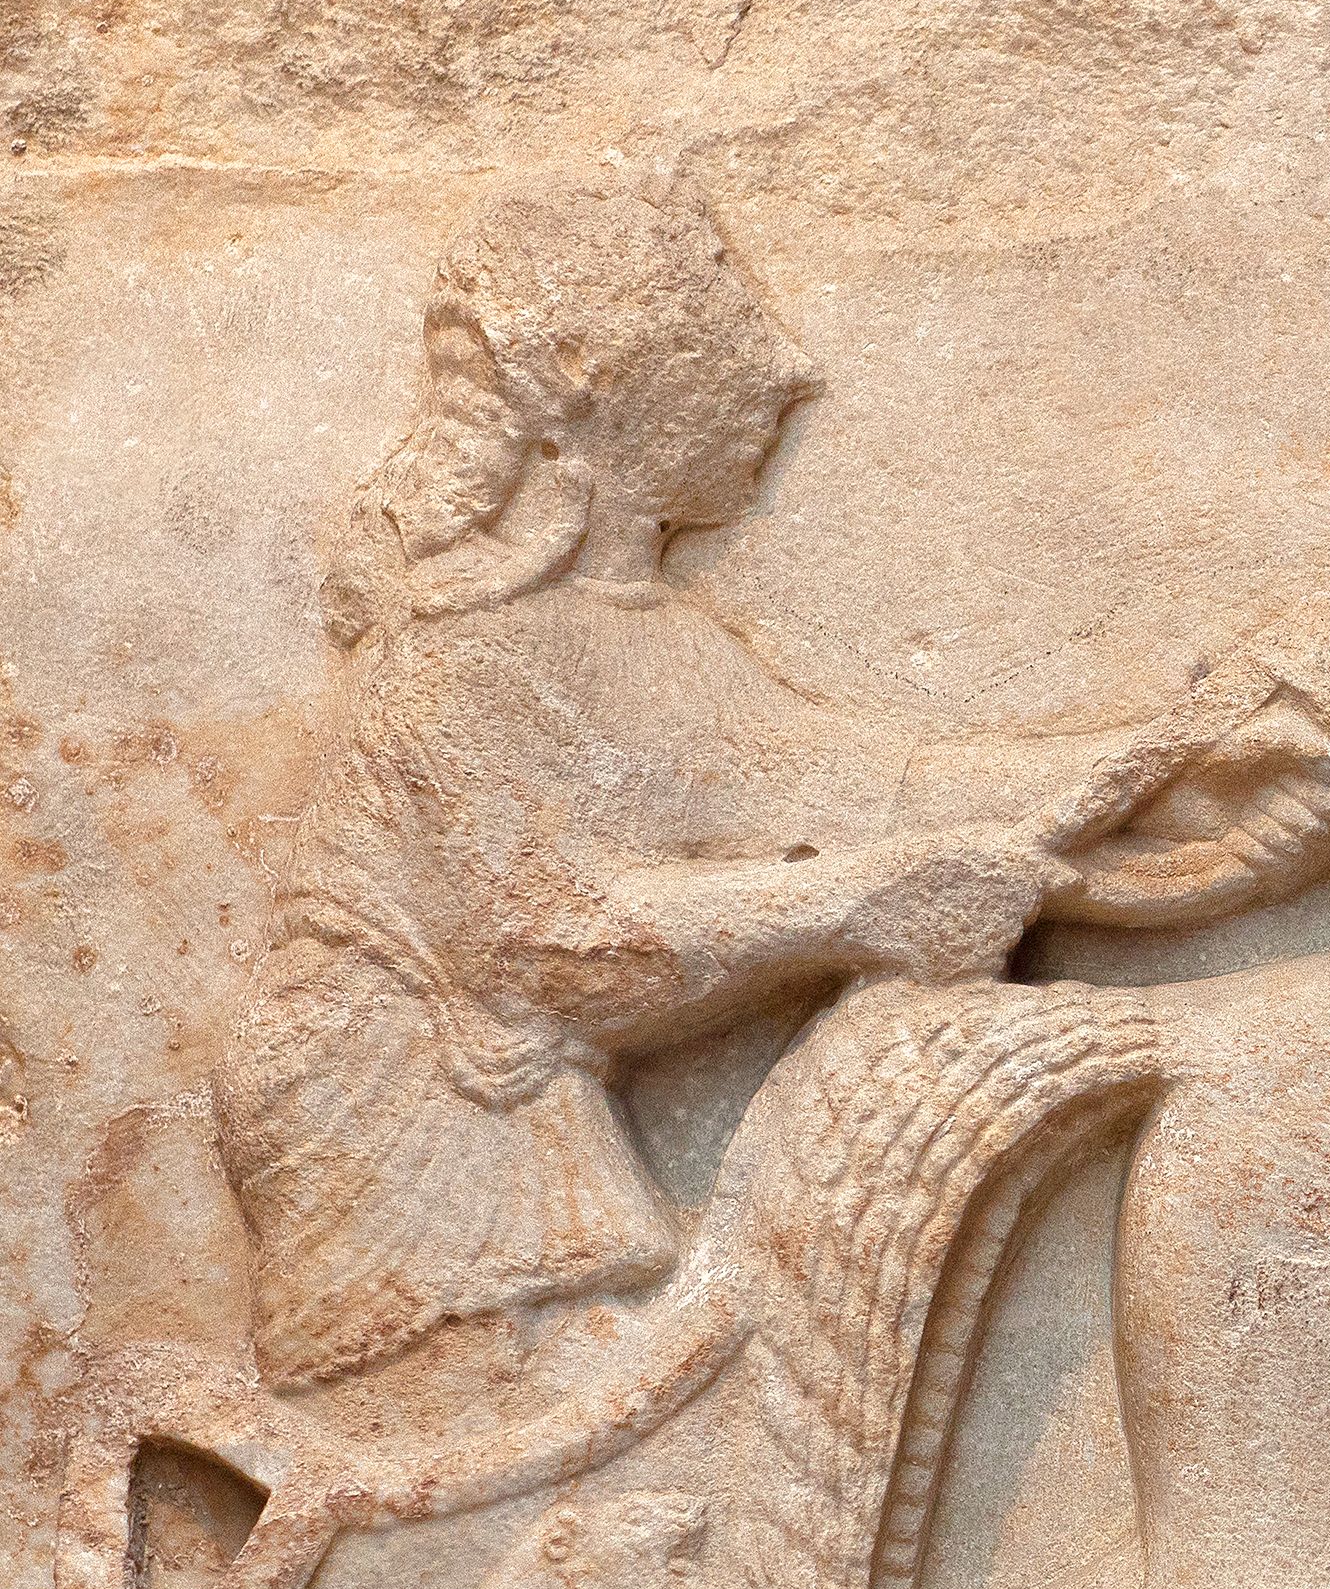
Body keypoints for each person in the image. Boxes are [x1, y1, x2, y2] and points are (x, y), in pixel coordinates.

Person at [216, 177, 1168, 1392]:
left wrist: (1201, 747)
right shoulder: (460, 652)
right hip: (415, 1144)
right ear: (601, 388)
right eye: (725, 332)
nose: (788, 368)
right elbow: (541, 943)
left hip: (519, 1133)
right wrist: (860, 905)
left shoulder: (662, 644)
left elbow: (892, 786)